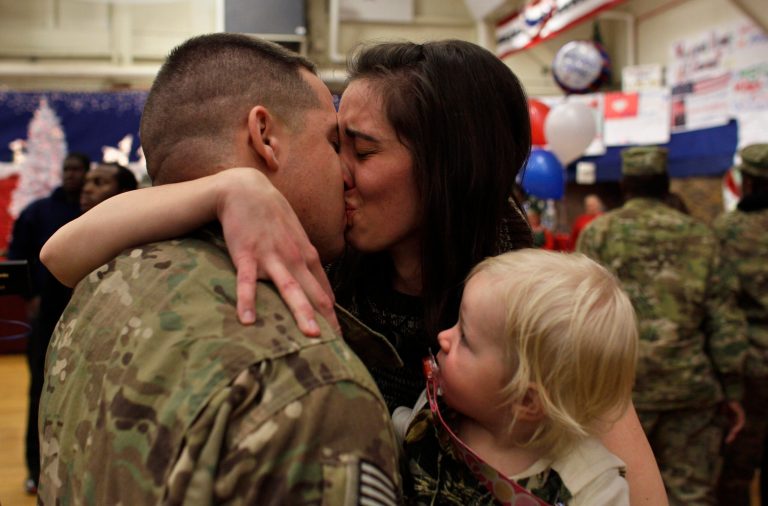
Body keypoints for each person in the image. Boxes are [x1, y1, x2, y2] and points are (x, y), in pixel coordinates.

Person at [42, 40, 668, 505]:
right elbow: (62, 254)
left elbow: (636, 487)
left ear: (447, 169)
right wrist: (229, 189)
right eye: (335, 142)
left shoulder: (533, 303)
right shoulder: (325, 259)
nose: (338, 170)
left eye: (362, 151)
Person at [38, 34, 401, 505]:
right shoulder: (308, 382)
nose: (345, 171)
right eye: (333, 142)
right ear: (265, 136)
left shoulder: (105, 281)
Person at [393, 249, 638, 505]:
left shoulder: (588, 487)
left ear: (526, 400)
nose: (443, 337)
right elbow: (393, 440)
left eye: (465, 338)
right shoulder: (435, 410)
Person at [576, 146, 748, 506]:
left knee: (618, 492)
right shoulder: (700, 236)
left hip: (616, 392)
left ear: (625, 185)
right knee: (693, 493)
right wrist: (733, 389)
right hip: (689, 392)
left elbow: (577, 316)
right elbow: (724, 320)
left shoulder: (598, 234)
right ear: (665, 184)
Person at [7, 151, 89, 494]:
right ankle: (35, 469)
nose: (71, 175)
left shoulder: (98, 213)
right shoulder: (38, 212)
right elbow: (16, 259)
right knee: (41, 392)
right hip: (47, 318)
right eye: (66, 168)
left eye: (77, 170)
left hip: (87, 319)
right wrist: (31, 298)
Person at [713, 143, 768, 506]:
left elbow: (720, 303)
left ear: (746, 181)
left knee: (738, 465)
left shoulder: (727, 230)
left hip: (751, 367)